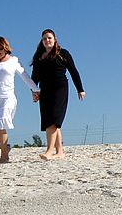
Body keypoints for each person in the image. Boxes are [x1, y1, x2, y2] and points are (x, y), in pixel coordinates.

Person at [30, 28, 85, 160]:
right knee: (51, 121)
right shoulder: (39, 57)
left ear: (54, 40)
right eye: (44, 39)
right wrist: (34, 91)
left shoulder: (63, 53)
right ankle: (59, 152)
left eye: (49, 38)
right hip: (45, 90)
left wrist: (80, 89)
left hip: (60, 90)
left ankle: (49, 151)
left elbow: (73, 71)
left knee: (53, 120)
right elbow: (34, 77)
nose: (47, 40)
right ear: (42, 41)